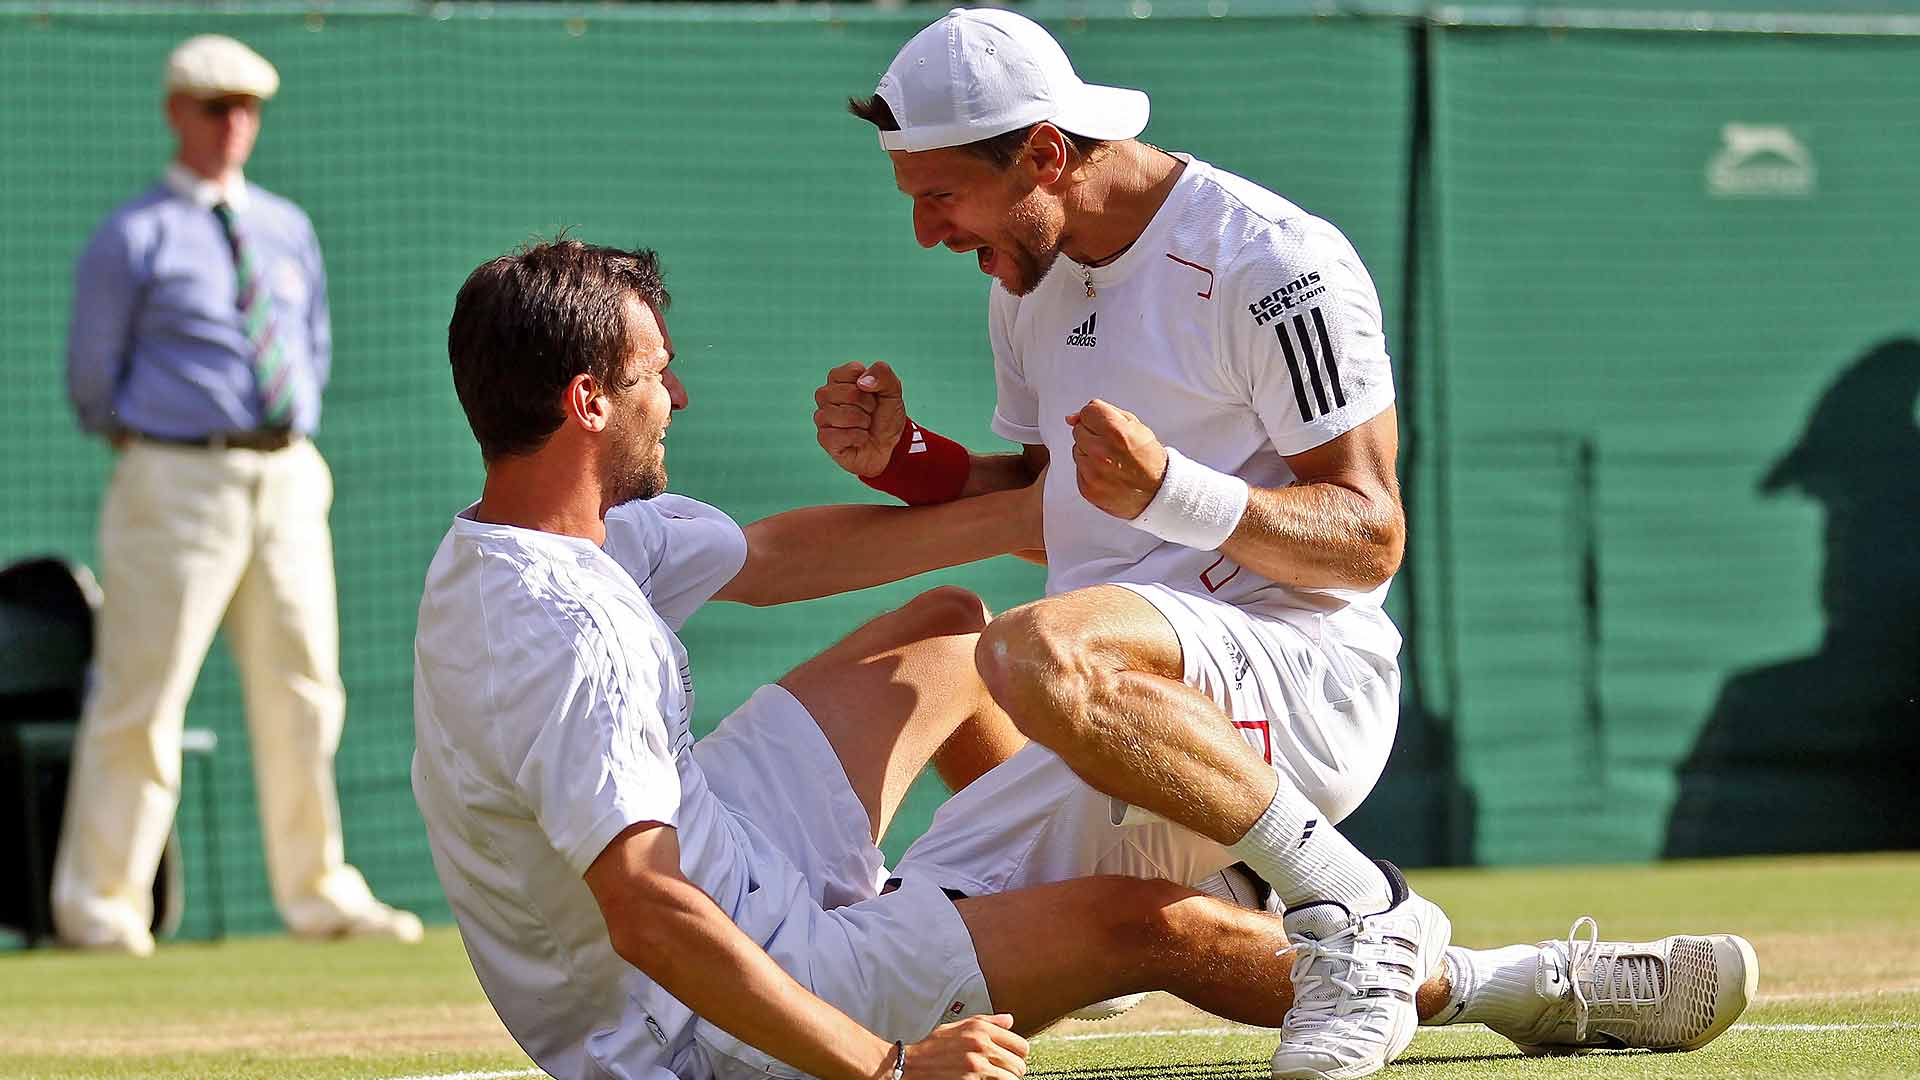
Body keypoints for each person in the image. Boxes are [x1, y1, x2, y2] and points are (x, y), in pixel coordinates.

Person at [416, 239, 1753, 1080]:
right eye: (657, 376)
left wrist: (1040, 510)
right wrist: (886, 1068)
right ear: (590, 403)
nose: (681, 397)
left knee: (944, 631)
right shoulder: (564, 636)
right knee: (1137, 927)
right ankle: (1522, 992)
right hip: (691, 1024)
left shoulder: (561, 536)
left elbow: (769, 560)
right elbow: (651, 915)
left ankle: (981, 895)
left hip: (739, 854)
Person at [823, 10, 1754, 1077]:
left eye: (940, 196)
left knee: (1027, 650)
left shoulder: (1272, 261)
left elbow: (1368, 538)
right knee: (869, 1001)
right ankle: (1524, 986)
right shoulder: (1026, 283)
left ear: (1043, 153)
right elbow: (1056, 500)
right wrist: (910, 462)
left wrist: (1173, 490)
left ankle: (1352, 900)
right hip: (1121, 698)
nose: (926, 232)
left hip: (1302, 679)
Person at [56, 34, 419, 954]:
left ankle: (320, 892)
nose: (233, 125)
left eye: (247, 108)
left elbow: (313, 351)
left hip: (289, 475)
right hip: (174, 477)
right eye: (215, 107)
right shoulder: (132, 235)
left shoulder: (287, 228)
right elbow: (92, 380)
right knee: (144, 690)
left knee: (306, 689)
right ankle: (102, 902)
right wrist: (165, 439)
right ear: (176, 111)